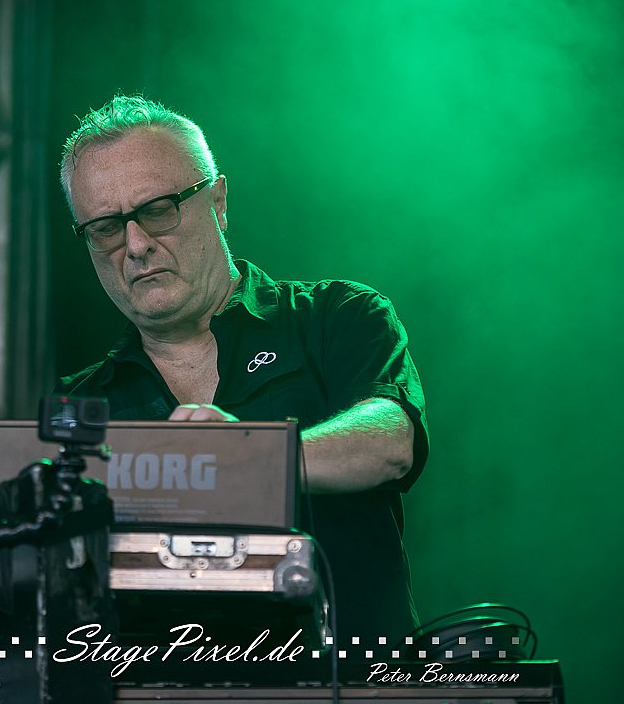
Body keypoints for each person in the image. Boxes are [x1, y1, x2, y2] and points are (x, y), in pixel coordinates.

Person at [54, 94, 429, 641]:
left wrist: (248, 457)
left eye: (157, 210)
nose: (134, 245)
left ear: (219, 201)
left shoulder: (337, 316)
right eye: (106, 227)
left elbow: (391, 442)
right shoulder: (74, 407)